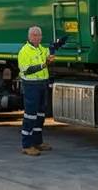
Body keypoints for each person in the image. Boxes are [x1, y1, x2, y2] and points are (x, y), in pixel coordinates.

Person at [18, 25, 69, 156]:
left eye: (40, 35)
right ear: (29, 37)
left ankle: (37, 142)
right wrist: (44, 64)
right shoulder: (24, 51)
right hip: (31, 86)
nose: (38, 38)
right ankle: (27, 145)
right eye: (35, 35)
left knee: (40, 115)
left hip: (42, 84)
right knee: (30, 115)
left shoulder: (40, 49)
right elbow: (26, 70)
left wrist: (58, 44)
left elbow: (50, 50)